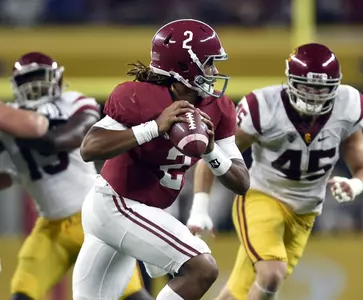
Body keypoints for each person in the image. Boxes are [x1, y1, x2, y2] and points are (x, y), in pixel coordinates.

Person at [72, 19, 250, 300]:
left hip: (139, 209)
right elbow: (89, 148)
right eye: (208, 64)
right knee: (202, 268)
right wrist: (153, 127)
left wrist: (211, 151)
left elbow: (241, 182)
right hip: (118, 203)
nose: (215, 71)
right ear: (184, 66)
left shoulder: (219, 108)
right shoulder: (138, 96)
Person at [191, 43, 363, 300]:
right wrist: (200, 210)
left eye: (321, 89)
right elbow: (213, 155)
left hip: (306, 211)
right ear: (290, 81)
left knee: (239, 291)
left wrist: (354, 185)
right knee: (271, 274)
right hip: (261, 197)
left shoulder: (349, 106)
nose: (313, 95)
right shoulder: (264, 106)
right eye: (306, 86)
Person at [0, 52, 149, 300]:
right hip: (50, 226)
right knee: (23, 293)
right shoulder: (13, 118)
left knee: (128, 294)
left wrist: (18, 127)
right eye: (28, 78)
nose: (35, 83)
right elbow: (12, 174)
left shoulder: (73, 102)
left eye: (40, 76)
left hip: (93, 218)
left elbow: (66, 139)